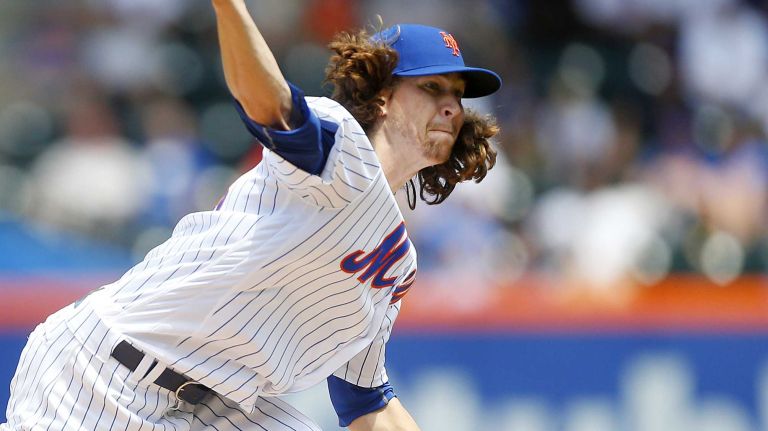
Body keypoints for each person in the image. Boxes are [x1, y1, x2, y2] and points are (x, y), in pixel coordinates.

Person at [2, 1, 501, 429]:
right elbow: (268, 104)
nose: (452, 105)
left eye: (457, 94)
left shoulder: (398, 265)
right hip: (101, 377)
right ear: (384, 98)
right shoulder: (342, 145)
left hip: (219, 408)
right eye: (432, 87)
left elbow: (364, 399)